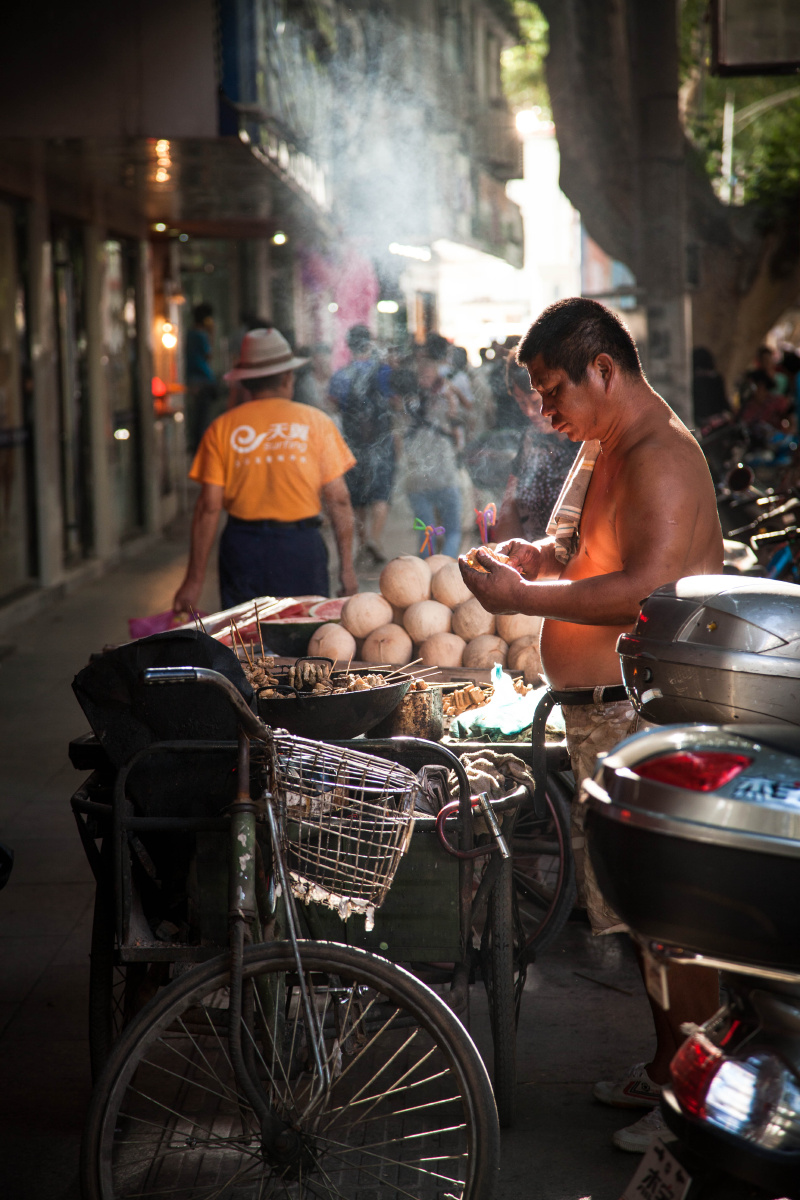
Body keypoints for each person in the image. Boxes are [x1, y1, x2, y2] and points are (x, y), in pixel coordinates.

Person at [459, 297, 723, 1153]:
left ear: (603, 369)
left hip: (644, 713)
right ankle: (666, 1068)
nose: (546, 410)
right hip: (600, 715)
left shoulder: (662, 456)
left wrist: (525, 597)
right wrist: (538, 560)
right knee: (640, 917)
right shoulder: (603, 445)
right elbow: (583, 554)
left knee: (670, 920)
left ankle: (696, 1105)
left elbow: (646, 588)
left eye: (552, 390)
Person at [172, 327, 358, 614]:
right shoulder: (316, 423)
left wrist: (193, 581)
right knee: (305, 643)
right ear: (287, 377)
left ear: (246, 383)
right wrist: (347, 568)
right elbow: (339, 499)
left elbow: (209, 507)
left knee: (246, 642)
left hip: (242, 549)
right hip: (300, 548)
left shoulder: (222, 428)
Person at [327, 325, 396, 564]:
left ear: (348, 344)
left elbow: (333, 404)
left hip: (352, 442)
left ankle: (363, 540)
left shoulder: (341, 375)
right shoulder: (384, 371)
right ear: (369, 343)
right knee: (381, 491)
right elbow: (395, 403)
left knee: (356, 496)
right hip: (381, 440)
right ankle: (375, 539)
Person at [493, 356, 578, 542]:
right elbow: (511, 499)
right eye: (522, 403)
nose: (529, 412)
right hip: (528, 556)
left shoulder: (587, 443)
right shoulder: (531, 439)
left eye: (535, 402)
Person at [404, 355, 463, 559]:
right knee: (453, 531)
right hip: (445, 475)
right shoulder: (445, 399)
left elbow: (398, 439)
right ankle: (445, 567)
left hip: (415, 479)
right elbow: (458, 435)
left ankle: (422, 572)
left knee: (426, 531)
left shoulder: (407, 403)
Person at [184, 302, 218, 454]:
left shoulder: (189, 333)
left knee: (197, 414)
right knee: (203, 415)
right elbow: (208, 354)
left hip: (193, 378)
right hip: (203, 378)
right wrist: (211, 334)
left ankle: (197, 443)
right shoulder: (201, 335)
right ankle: (201, 445)